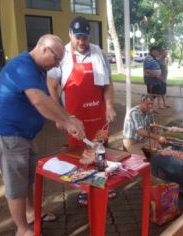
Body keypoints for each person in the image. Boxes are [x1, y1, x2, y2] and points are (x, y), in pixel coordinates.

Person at [0, 34, 85, 236]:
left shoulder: (39, 69)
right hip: (9, 136)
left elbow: (48, 99)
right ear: (44, 49)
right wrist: (67, 122)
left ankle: (31, 214)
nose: (57, 64)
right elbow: (39, 101)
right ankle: (22, 229)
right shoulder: (23, 66)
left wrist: (65, 117)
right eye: (56, 59)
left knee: (28, 179)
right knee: (16, 186)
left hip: (24, 136)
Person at [47, 16, 116, 206]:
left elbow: (108, 84)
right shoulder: (62, 55)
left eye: (84, 37)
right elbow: (52, 86)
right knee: (79, 155)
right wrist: (59, 115)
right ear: (70, 35)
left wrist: (109, 106)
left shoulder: (99, 53)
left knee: (101, 151)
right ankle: (85, 190)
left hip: (98, 115)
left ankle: (102, 184)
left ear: (89, 36)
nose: (81, 42)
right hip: (74, 118)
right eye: (77, 37)